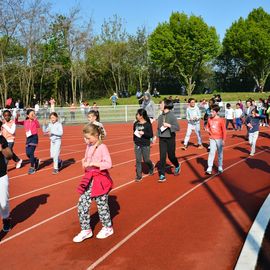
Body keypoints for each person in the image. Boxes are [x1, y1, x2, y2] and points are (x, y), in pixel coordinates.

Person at [73, 124, 114, 242]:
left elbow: (108, 164)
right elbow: (88, 160)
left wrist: (94, 163)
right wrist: (84, 162)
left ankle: (107, 227)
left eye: (88, 138)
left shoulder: (102, 147)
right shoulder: (89, 146)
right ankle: (86, 230)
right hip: (89, 179)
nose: (85, 140)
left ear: (96, 135)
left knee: (102, 205)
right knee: (82, 204)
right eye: (85, 138)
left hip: (100, 180)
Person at [155, 99, 180, 182]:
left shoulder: (172, 116)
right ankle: (162, 174)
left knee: (171, 156)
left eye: (161, 104)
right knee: (162, 157)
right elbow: (159, 128)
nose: (160, 105)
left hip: (170, 138)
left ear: (166, 105)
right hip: (162, 139)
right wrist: (155, 136)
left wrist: (169, 125)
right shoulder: (160, 116)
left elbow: (177, 127)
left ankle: (177, 165)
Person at [15, 109, 40, 175]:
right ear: (28, 115)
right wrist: (17, 117)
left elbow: (38, 126)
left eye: (34, 114)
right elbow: (16, 122)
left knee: (31, 152)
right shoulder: (25, 121)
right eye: (32, 114)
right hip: (28, 138)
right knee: (27, 154)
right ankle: (35, 160)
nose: (33, 115)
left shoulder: (34, 121)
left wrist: (35, 119)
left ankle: (32, 167)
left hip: (34, 138)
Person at [133, 108, 155, 182]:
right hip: (137, 144)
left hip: (145, 144)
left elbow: (151, 135)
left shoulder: (148, 124)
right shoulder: (136, 123)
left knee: (146, 160)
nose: (136, 115)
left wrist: (144, 133)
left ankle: (151, 166)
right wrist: (135, 140)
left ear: (141, 116)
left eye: (138, 114)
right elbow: (134, 132)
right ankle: (139, 176)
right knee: (138, 160)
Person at [205, 104, 226, 175]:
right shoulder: (209, 119)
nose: (211, 113)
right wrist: (207, 129)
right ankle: (209, 167)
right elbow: (207, 127)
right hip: (212, 138)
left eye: (213, 112)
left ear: (216, 112)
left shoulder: (221, 120)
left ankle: (220, 166)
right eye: (210, 111)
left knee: (220, 153)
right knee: (211, 152)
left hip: (219, 139)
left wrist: (223, 140)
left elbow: (224, 131)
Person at [0, 122, 13, 232]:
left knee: (3, 203)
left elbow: (9, 155)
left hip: (1, 175)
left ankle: (6, 218)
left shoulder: (2, 139)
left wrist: (2, 150)